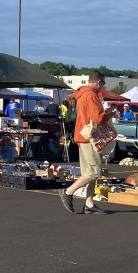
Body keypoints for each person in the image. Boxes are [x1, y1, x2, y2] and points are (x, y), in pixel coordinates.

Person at [59, 71, 112, 215]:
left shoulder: (82, 94)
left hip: (82, 137)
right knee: (93, 172)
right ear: (99, 82)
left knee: (89, 172)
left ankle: (89, 204)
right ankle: (68, 192)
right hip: (90, 138)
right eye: (103, 83)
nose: (102, 86)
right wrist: (109, 113)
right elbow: (98, 118)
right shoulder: (91, 95)